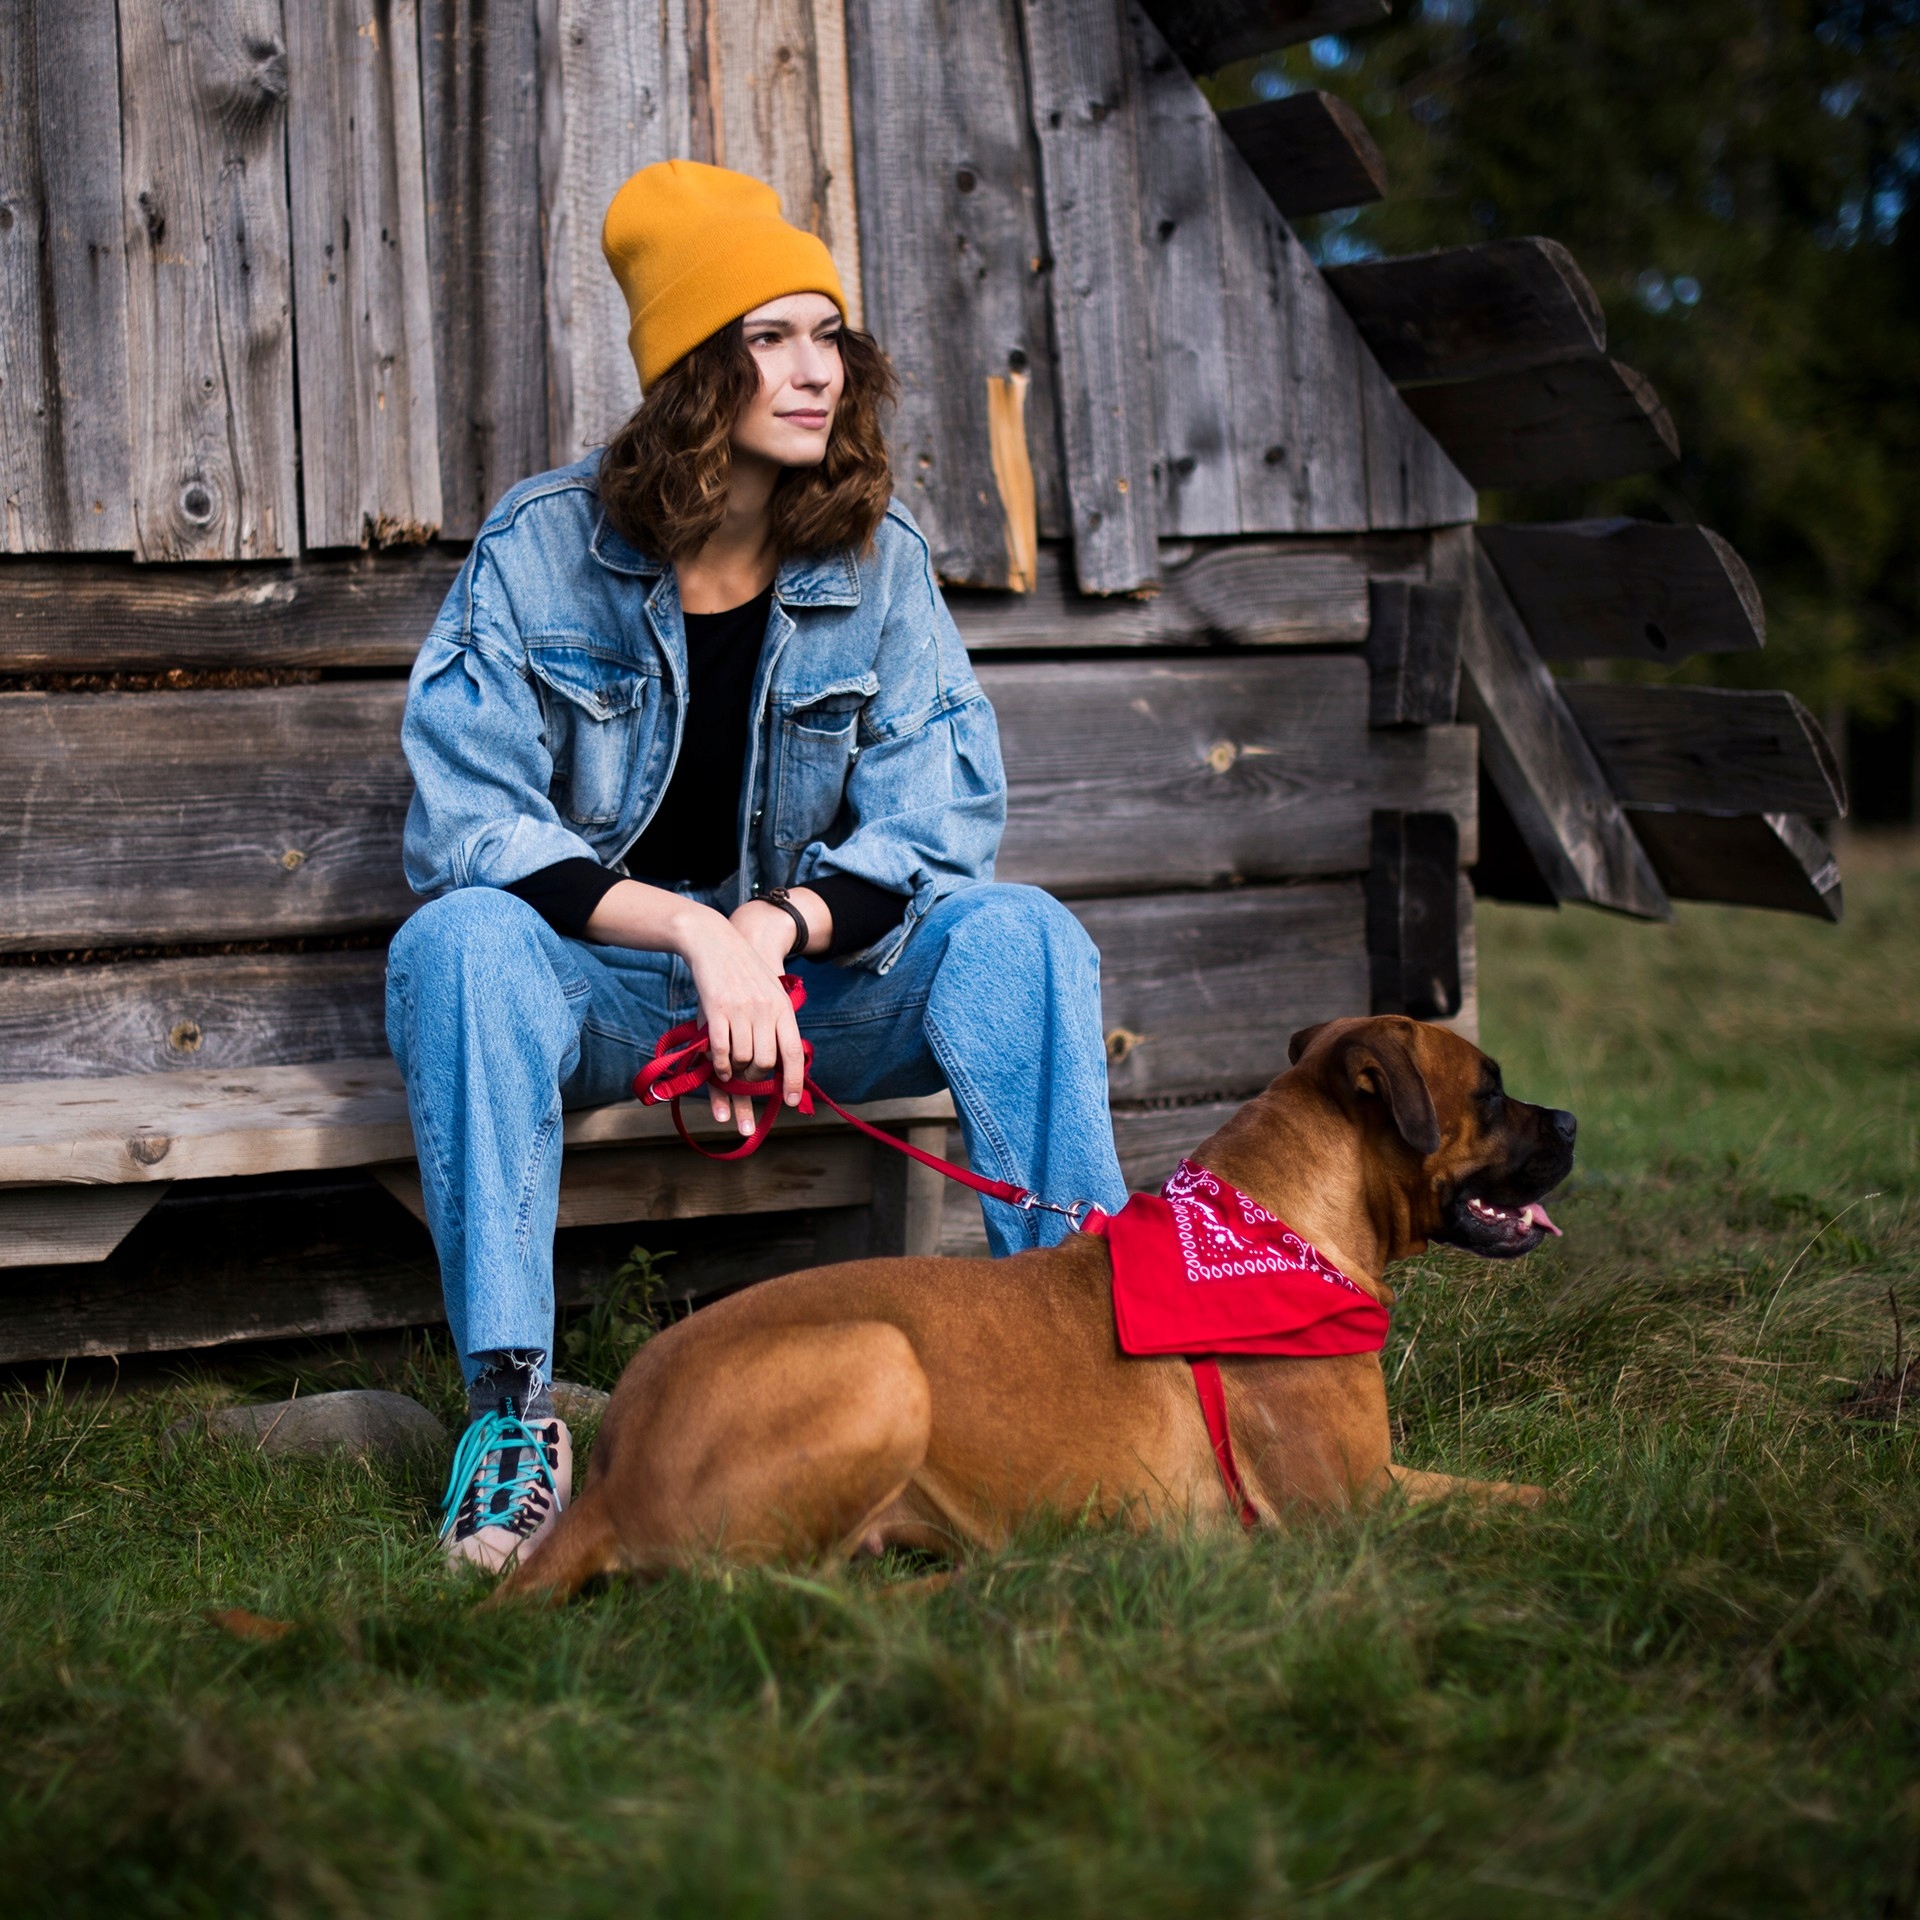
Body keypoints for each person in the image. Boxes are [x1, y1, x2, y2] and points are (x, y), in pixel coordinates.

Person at [388, 159, 1127, 1572]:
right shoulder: (544, 550)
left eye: (828, 334)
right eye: (770, 338)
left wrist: (774, 932)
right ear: (688, 373)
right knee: (458, 942)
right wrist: (694, 936)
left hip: (816, 999)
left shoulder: (882, 564)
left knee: (1019, 929)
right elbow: (474, 821)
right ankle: (511, 1418)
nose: (818, 370)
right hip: (610, 997)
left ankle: (1092, 1368)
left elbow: (937, 821)